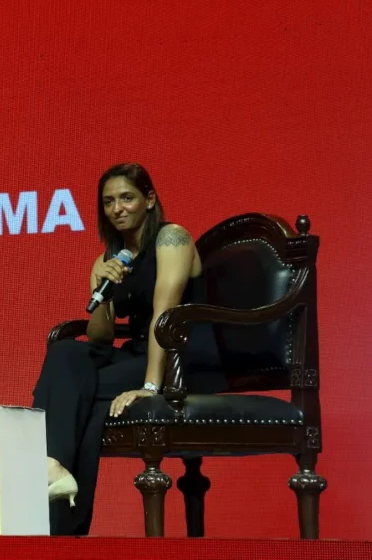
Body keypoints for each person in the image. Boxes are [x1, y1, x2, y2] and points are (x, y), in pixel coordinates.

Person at [31, 163, 226, 536]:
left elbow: (164, 313)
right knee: (66, 354)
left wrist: (151, 387)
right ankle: (53, 465)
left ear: (149, 200)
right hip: (138, 352)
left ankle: (60, 521)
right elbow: (101, 337)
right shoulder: (109, 260)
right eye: (108, 202)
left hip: (183, 358)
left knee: (81, 398)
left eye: (126, 198)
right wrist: (103, 295)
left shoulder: (173, 239)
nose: (117, 208)